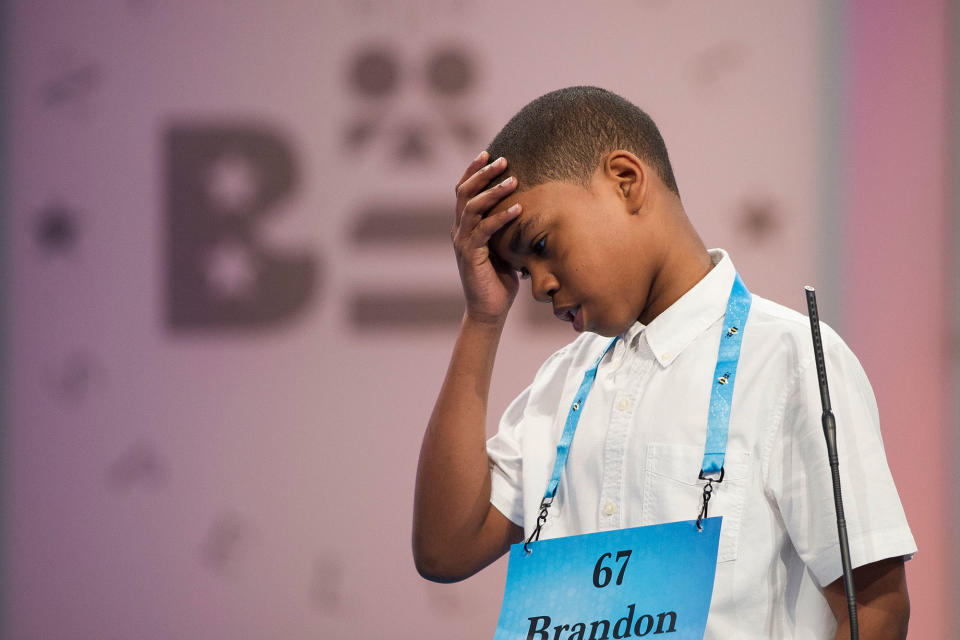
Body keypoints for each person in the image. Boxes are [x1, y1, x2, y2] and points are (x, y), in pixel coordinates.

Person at [412, 86, 915, 639]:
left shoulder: (790, 359)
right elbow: (444, 551)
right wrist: (482, 320)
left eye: (542, 245)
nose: (539, 287)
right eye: (524, 272)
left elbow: (875, 609)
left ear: (626, 181)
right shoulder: (562, 382)